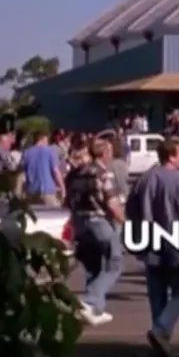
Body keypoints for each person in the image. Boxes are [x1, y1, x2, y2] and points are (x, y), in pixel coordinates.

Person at [126, 135, 179, 357]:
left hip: (150, 243)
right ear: (171, 156)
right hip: (176, 245)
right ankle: (161, 330)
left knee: (156, 292)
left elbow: (131, 209)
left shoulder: (144, 179)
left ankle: (161, 335)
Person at [65, 136, 125, 326]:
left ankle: (94, 309)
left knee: (93, 267)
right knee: (114, 263)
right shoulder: (102, 173)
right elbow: (112, 204)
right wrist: (125, 222)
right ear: (105, 153)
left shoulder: (74, 175)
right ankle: (91, 302)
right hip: (100, 222)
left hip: (79, 223)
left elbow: (67, 201)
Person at [22, 131, 65, 206]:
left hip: (32, 191)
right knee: (55, 211)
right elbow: (55, 171)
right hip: (47, 190)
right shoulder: (50, 151)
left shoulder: (27, 153)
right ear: (43, 138)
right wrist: (62, 187)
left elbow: (22, 173)